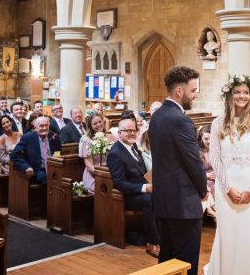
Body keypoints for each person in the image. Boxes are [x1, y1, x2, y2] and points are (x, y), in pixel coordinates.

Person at [205, 75, 250, 275]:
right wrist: (227, 188)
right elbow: (215, 158)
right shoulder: (218, 124)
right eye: (237, 92)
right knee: (228, 233)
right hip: (227, 185)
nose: (241, 96)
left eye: (245, 92)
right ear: (229, 96)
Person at [148, 66, 208, 275]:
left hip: (163, 200)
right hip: (183, 203)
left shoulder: (156, 117)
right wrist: (203, 190)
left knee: (167, 260)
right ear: (179, 92)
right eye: (193, 91)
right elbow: (193, 162)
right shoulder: (180, 120)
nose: (195, 95)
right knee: (186, 262)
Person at [107, 117, 160, 258]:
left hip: (141, 190)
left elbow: (142, 172)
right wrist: (144, 188)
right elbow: (119, 183)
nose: (132, 133)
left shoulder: (134, 147)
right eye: (128, 131)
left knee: (164, 194)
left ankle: (163, 237)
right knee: (150, 199)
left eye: (134, 130)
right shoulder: (115, 153)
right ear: (119, 133)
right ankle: (152, 243)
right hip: (127, 196)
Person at [10, 115, 61, 184]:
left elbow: (58, 153)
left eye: (46, 125)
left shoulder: (54, 137)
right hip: (37, 170)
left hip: (53, 168)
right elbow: (14, 154)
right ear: (35, 128)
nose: (44, 128)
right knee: (48, 181)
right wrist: (26, 167)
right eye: (41, 126)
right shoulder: (28, 138)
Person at [78, 113, 106, 193]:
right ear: (90, 126)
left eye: (100, 122)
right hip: (94, 175)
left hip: (107, 171)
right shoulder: (86, 139)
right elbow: (89, 166)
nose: (98, 125)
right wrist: (103, 177)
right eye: (95, 123)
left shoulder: (106, 136)